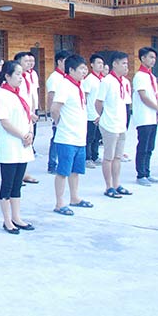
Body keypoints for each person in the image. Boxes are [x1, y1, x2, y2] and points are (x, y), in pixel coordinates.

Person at [0, 61, 35, 233]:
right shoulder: (2, 94)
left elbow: (28, 117)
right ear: (7, 76)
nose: (20, 77)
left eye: (21, 74)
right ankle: (7, 220)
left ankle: (17, 217)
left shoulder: (20, 93)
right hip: (10, 144)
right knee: (8, 183)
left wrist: (30, 133)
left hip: (23, 144)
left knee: (18, 183)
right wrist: (23, 136)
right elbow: (5, 122)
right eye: (17, 74)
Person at [51, 54, 92, 216]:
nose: (84, 71)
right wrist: (59, 123)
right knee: (63, 171)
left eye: (85, 68)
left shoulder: (79, 85)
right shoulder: (65, 85)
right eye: (81, 68)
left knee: (76, 170)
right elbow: (55, 108)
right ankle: (59, 203)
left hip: (79, 137)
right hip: (67, 137)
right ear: (71, 70)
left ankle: (74, 197)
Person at [95, 52, 133, 199]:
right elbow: (98, 102)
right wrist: (102, 116)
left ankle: (117, 184)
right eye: (123, 63)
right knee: (108, 157)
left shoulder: (125, 82)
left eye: (127, 63)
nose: (126, 66)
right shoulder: (107, 81)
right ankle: (108, 186)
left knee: (118, 157)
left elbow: (126, 103)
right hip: (110, 124)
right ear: (114, 64)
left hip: (121, 124)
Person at [132, 47, 158, 186]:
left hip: (152, 116)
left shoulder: (152, 76)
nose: (153, 60)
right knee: (143, 146)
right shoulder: (139, 76)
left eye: (154, 58)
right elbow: (143, 96)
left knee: (150, 146)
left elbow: (156, 95)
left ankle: (147, 172)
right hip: (143, 116)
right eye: (150, 57)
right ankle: (141, 174)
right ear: (143, 58)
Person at [16, 51, 40, 184]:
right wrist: (29, 113)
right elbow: (18, 98)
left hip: (29, 113)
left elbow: (31, 95)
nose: (29, 63)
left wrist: (33, 110)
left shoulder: (29, 76)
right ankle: (19, 175)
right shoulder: (16, 78)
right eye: (26, 61)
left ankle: (23, 173)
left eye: (30, 61)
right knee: (21, 143)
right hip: (21, 115)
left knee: (28, 142)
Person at [46, 50, 71, 174]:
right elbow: (51, 96)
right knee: (56, 138)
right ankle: (52, 164)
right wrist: (53, 115)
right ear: (59, 62)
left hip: (66, 113)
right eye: (66, 61)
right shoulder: (55, 78)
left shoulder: (65, 77)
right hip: (58, 113)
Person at [82, 54, 104, 168]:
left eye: (102, 63)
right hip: (90, 113)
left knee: (97, 136)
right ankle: (87, 158)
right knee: (89, 137)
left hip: (100, 113)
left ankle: (95, 156)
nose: (101, 65)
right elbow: (84, 97)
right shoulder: (89, 80)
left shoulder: (103, 79)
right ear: (92, 65)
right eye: (98, 63)